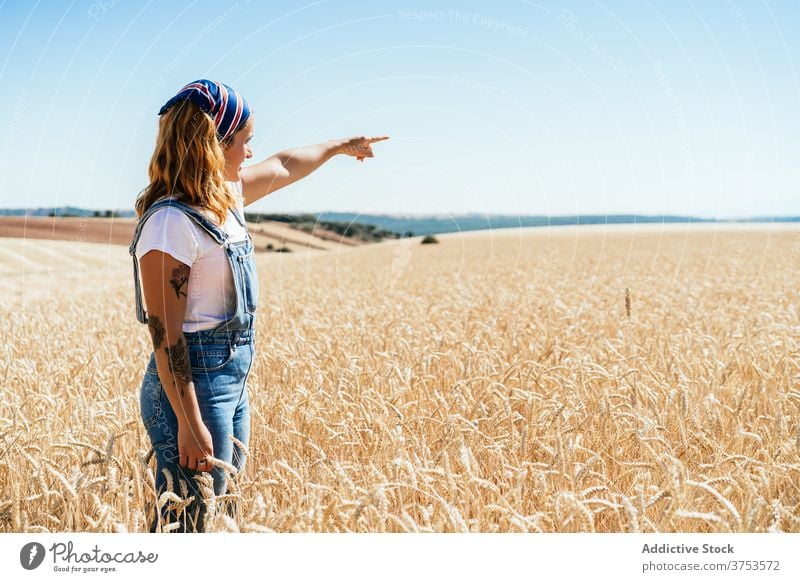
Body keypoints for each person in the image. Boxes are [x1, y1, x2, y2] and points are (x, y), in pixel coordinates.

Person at [129, 79, 388, 532]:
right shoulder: (171, 222)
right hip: (193, 386)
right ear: (214, 145)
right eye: (245, 142)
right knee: (187, 522)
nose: (251, 153)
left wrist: (339, 146)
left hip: (231, 378)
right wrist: (189, 423)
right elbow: (165, 335)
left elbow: (285, 165)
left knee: (223, 513)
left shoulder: (224, 198)